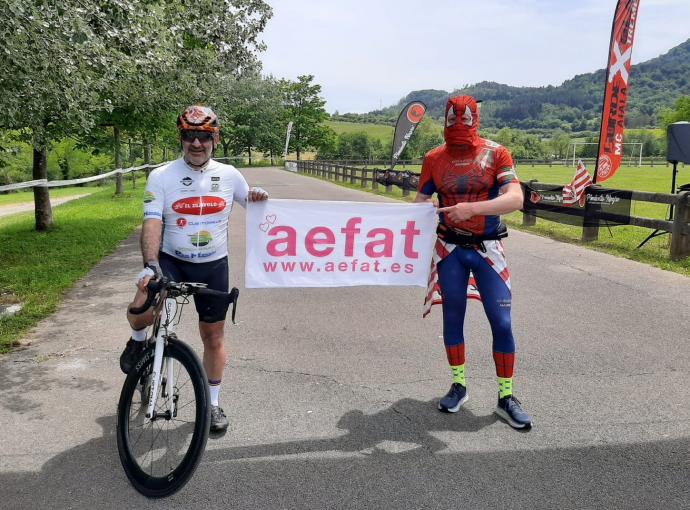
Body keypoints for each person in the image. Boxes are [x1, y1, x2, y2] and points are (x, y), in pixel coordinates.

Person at [120, 105, 268, 433]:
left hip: (213, 264)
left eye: (204, 136)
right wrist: (152, 265)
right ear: (181, 138)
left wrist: (258, 197)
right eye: (189, 136)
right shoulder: (161, 176)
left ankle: (212, 404)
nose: (196, 143)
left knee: (213, 336)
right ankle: (137, 339)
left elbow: (256, 208)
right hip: (172, 259)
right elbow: (152, 220)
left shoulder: (230, 175)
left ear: (214, 138)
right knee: (143, 304)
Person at [414, 95, 532, 430]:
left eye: (464, 118)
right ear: (445, 119)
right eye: (452, 119)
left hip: (488, 249)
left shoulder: (496, 152)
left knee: (502, 322)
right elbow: (421, 200)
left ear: (474, 118)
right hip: (449, 249)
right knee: (452, 318)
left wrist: (473, 210)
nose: (458, 124)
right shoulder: (433, 158)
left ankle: (506, 397)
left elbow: (515, 199)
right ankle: (458, 386)